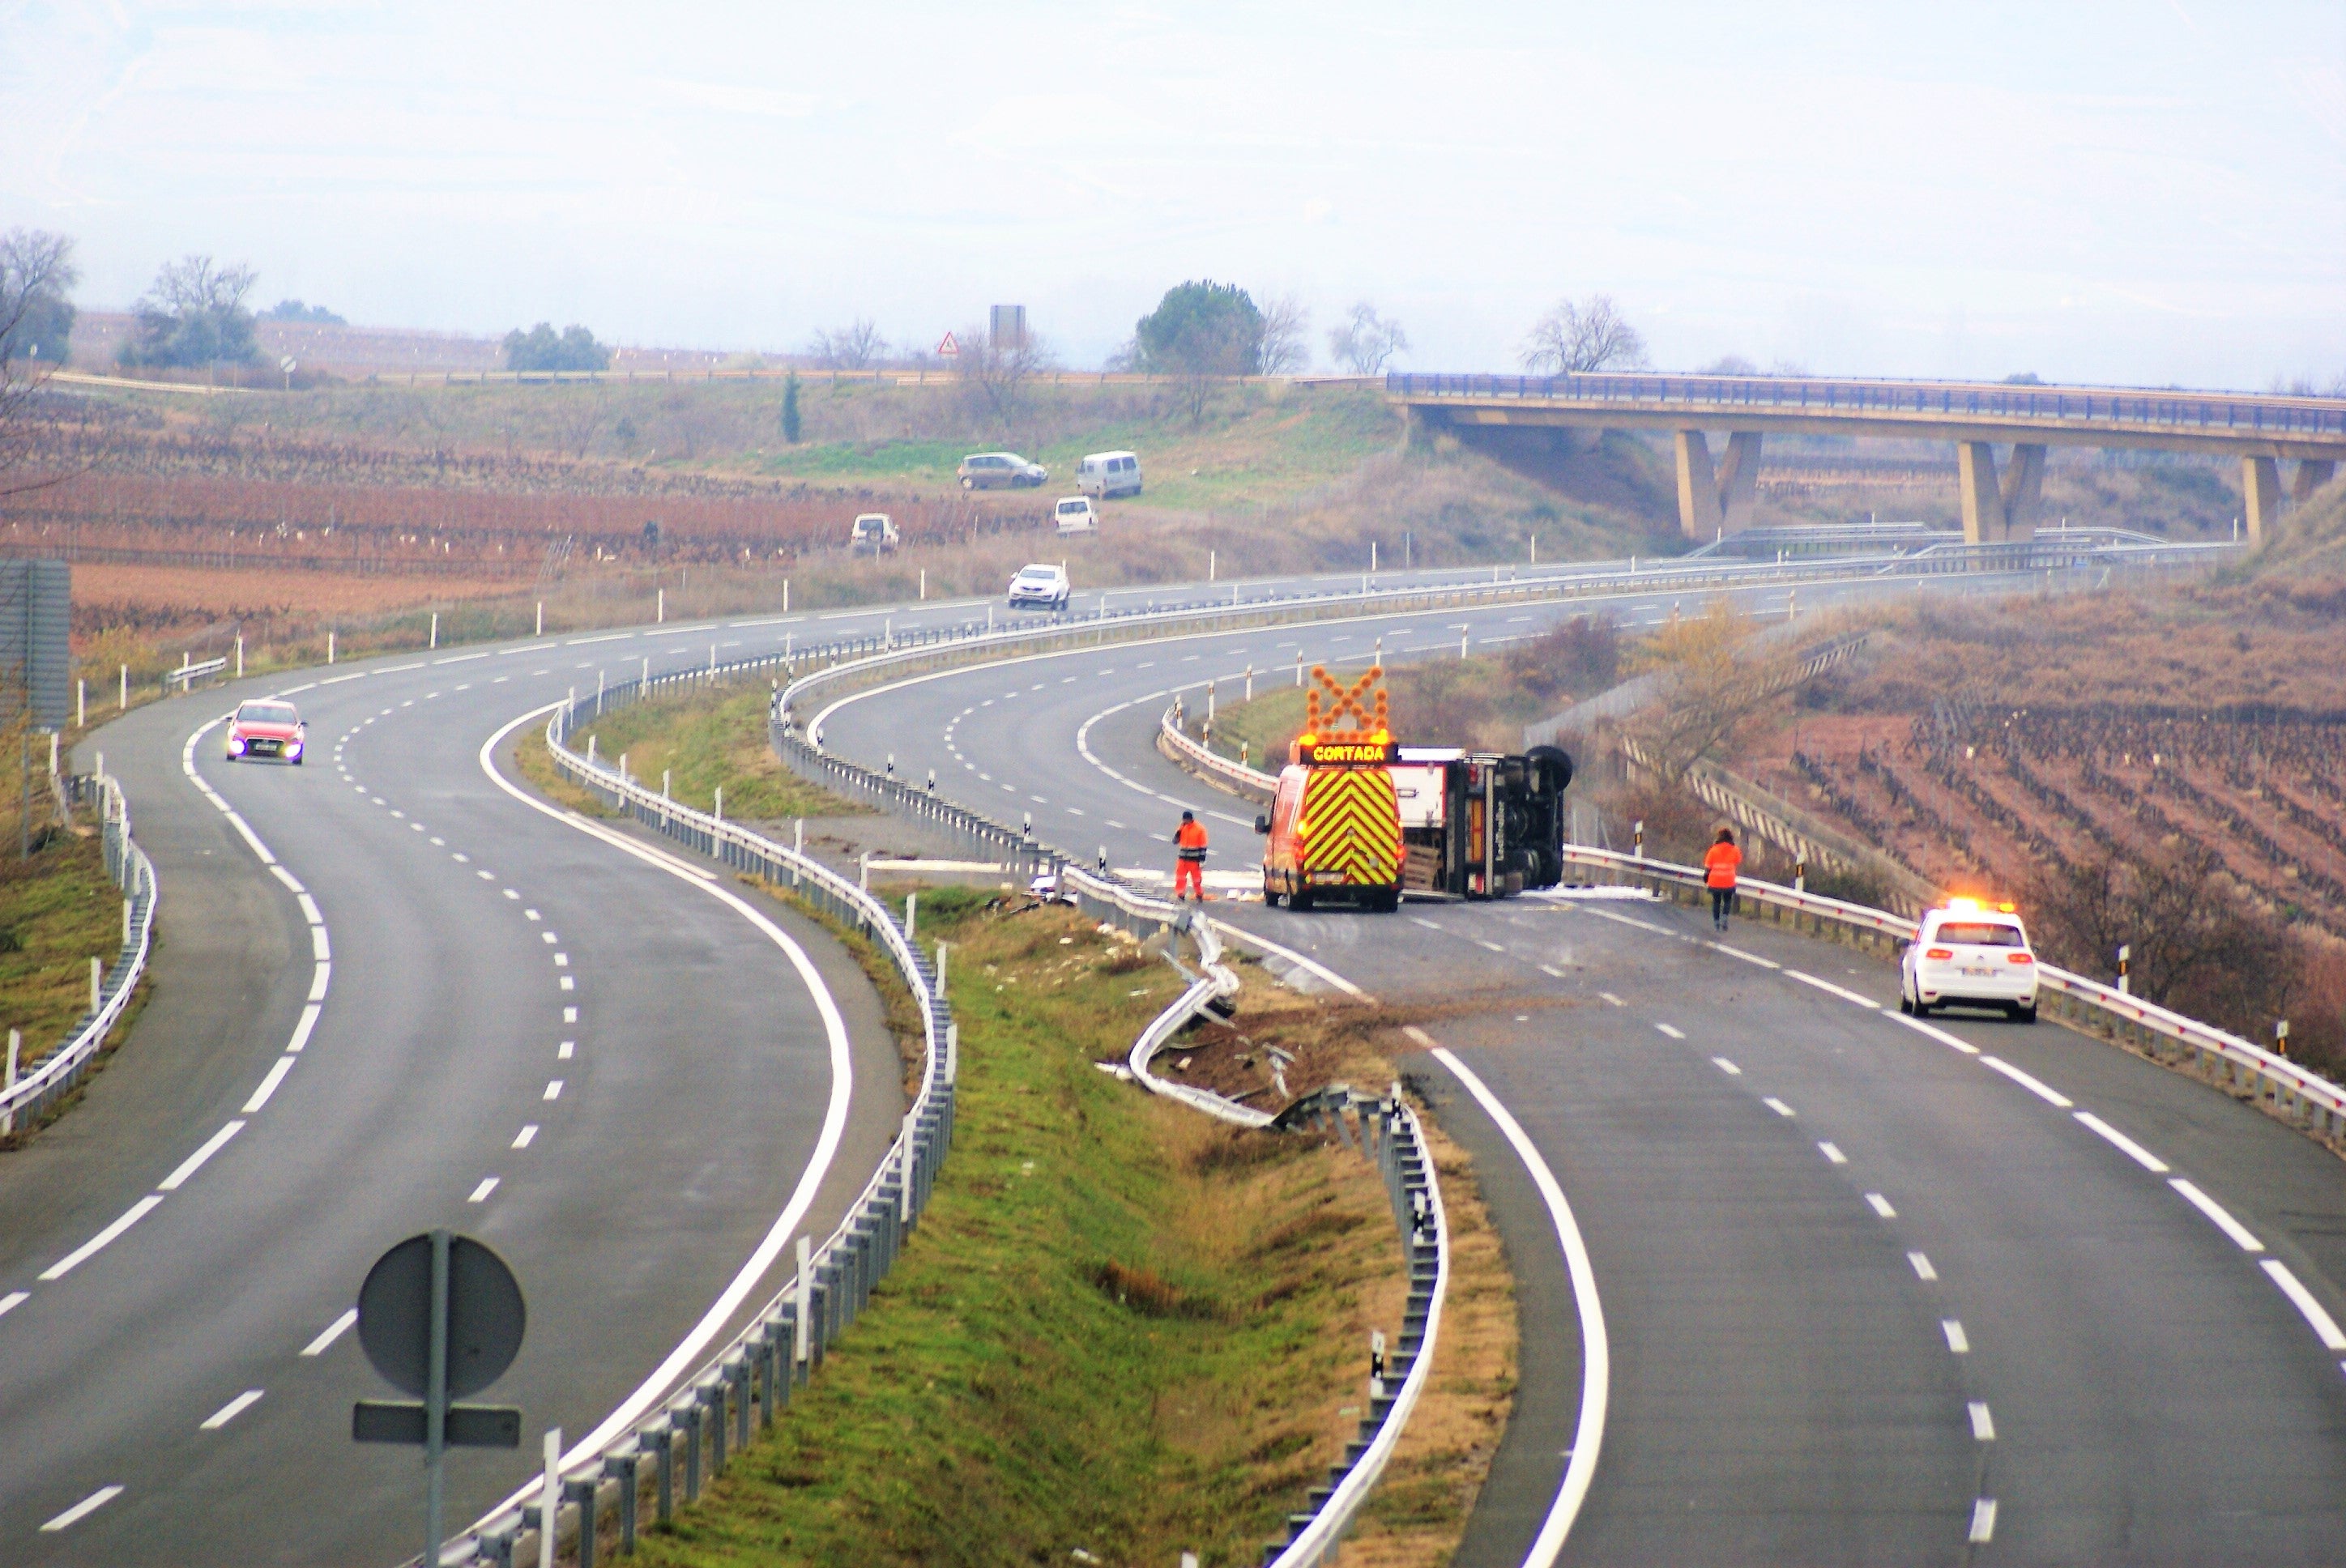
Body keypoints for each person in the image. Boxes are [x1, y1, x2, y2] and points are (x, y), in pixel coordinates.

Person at [1704, 826, 1742, 931]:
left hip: (1715, 881)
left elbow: (1708, 866)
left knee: (1716, 902)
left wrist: (1706, 877)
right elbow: (1738, 861)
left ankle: (1716, 923)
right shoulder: (1735, 850)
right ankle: (1724, 917)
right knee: (1728, 901)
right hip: (1728, 881)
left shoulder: (1713, 850)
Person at [1174, 810, 1209, 901]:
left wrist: (1202, 860)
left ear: (1191, 819)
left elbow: (1203, 846)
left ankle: (1199, 894)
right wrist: (1178, 832)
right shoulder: (1182, 827)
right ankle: (1180, 894)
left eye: (1186, 820)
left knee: (1196, 880)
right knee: (1180, 877)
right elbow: (1175, 841)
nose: (1185, 822)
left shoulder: (1199, 829)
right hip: (1182, 859)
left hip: (1194, 860)